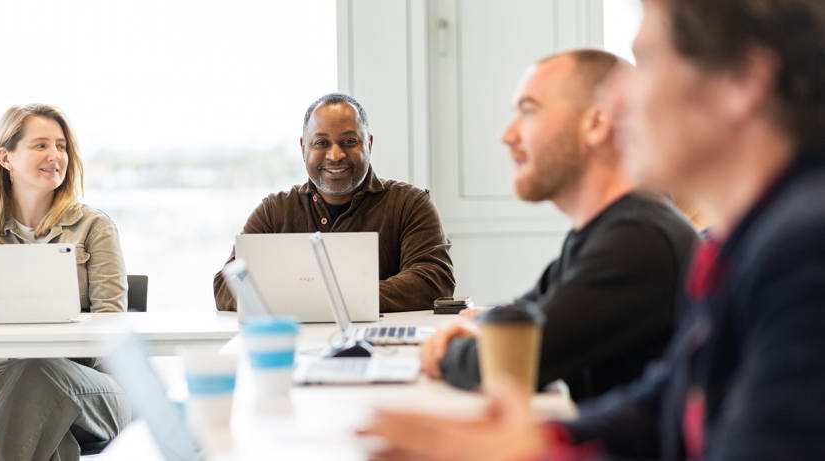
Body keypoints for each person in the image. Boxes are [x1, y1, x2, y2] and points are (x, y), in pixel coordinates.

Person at [362, 0, 825, 459]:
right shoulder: (742, 244)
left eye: (645, 63)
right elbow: (664, 402)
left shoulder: (803, 250)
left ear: (742, 80)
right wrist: (554, 439)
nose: (618, 101)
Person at [421, 49, 697, 402]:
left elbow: (508, 366)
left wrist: (449, 349)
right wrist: (475, 327)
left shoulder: (638, 241)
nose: (507, 135)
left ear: (595, 124)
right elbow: (521, 314)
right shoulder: (603, 231)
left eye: (528, 110)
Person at [0, 104, 131, 461]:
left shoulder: (94, 228)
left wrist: (30, 369)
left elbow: (110, 329)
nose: (55, 155)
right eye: (41, 145)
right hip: (1, 389)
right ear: (6, 157)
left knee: (36, 375)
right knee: (47, 431)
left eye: (61, 145)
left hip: (93, 391)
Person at [213, 93, 455, 313]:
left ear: (368, 144)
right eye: (321, 143)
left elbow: (432, 280)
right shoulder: (274, 211)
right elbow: (227, 286)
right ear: (303, 147)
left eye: (349, 142)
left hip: (381, 344)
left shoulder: (410, 204)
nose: (335, 155)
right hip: (296, 345)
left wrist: (309, 298)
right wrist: (346, 298)